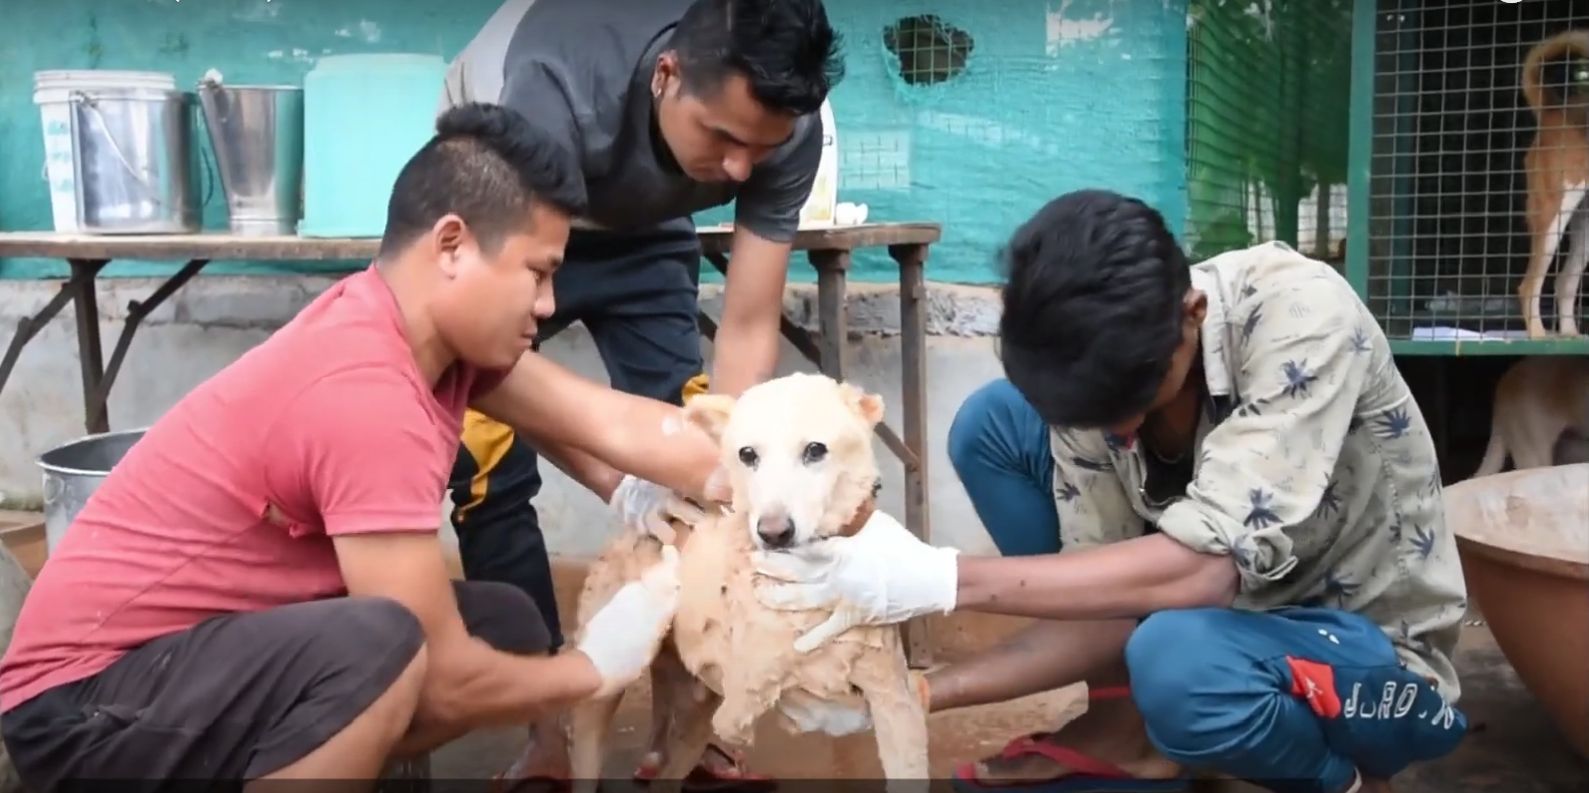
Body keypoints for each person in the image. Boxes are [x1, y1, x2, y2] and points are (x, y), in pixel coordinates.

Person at [0, 103, 724, 789]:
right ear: (450, 245)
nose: (546, 303)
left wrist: (786, 500)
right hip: (79, 705)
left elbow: (614, 424)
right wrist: (593, 666)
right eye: (537, 272)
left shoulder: (426, 337)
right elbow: (442, 674)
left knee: (502, 624)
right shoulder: (366, 389)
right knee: (384, 647)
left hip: (187, 662)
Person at [750, 190, 1472, 793]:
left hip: (1366, 658)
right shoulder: (1104, 374)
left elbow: (1198, 571)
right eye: (1096, 415)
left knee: (1178, 659)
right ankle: (1132, 723)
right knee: (993, 425)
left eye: (1138, 398)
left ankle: (1332, 776)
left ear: (1192, 312)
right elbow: (1103, 613)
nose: (1119, 431)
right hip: (1203, 619)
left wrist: (937, 577)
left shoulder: (1298, 317)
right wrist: (914, 694)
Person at [439, 0, 843, 786]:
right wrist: (619, 480)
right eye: (721, 138)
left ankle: (690, 729)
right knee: (488, 466)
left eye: (755, 151)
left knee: (695, 464)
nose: (737, 171)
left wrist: (731, 471)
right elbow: (488, 365)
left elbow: (749, 325)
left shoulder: (784, 125)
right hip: (510, 193)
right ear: (665, 76)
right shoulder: (550, 92)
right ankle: (543, 733)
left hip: (645, 226)